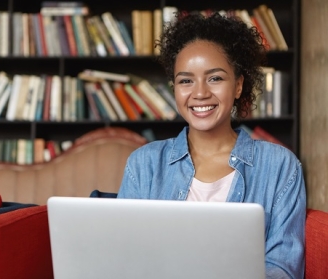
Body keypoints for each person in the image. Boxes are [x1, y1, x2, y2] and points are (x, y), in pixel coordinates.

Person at [117, 11, 306, 279]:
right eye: (186, 80)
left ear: (238, 86)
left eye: (215, 78)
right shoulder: (144, 163)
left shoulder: (280, 166)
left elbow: (284, 268)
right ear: (175, 89)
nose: (200, 93)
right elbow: (124, 257)